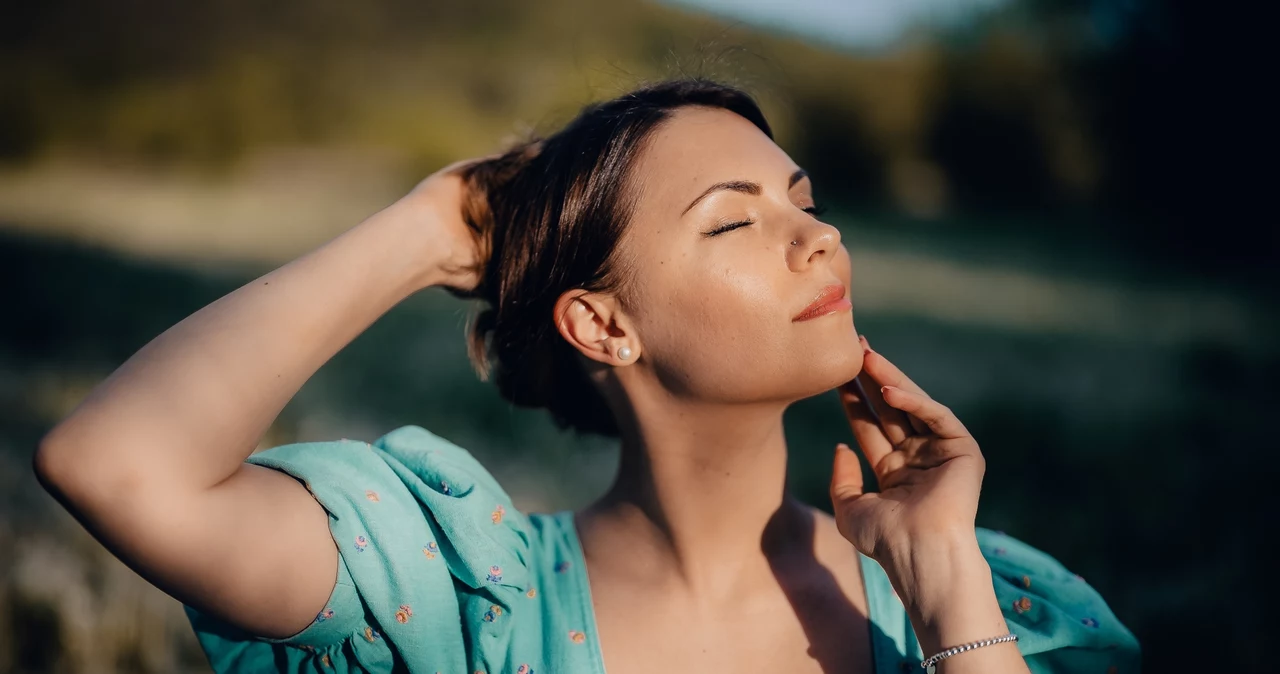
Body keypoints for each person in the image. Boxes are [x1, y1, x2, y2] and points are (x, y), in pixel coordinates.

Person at [33, 78, 1139, 674]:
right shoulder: (461, 600)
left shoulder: (999, 600)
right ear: (601, 325)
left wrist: (945, 581)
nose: (819, 237)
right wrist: (430, 227)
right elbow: (115, 464)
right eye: (734, 221)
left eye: (801, 199)